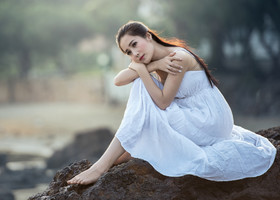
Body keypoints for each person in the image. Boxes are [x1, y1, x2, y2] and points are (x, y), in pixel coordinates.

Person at [67, 21, 276, 185]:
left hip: (210, 121)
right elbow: (118, 80)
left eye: (134, 44)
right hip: (194, 116)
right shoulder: (154, 61)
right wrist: (151, 66)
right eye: (128, 53)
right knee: (140, 84)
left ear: (148, 36)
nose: (134, 54)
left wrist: (141, 70)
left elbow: (164, 103)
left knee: (142, 88)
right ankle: (125, 152)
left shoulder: (178, 57)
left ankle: (101, 165)